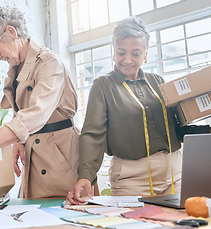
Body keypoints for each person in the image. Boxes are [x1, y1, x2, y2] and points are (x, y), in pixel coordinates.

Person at [67, 17, 211, 205]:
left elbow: (176, 129)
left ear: (145, 54)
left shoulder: (158, 82)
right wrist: (85, 175)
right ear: (114, 52)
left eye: (135, 53)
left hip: (175, 175)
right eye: (121, 52)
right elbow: (93, 135)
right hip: (132, 181)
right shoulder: (103, 86)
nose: (127, 60)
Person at [0, 7, 80, 198]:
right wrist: (19, 140)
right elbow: (20, 108)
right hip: (33, 154)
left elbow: (36, 113)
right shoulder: (16, 67)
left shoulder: (49, 63)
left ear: (11, 32)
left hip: (59, 156)